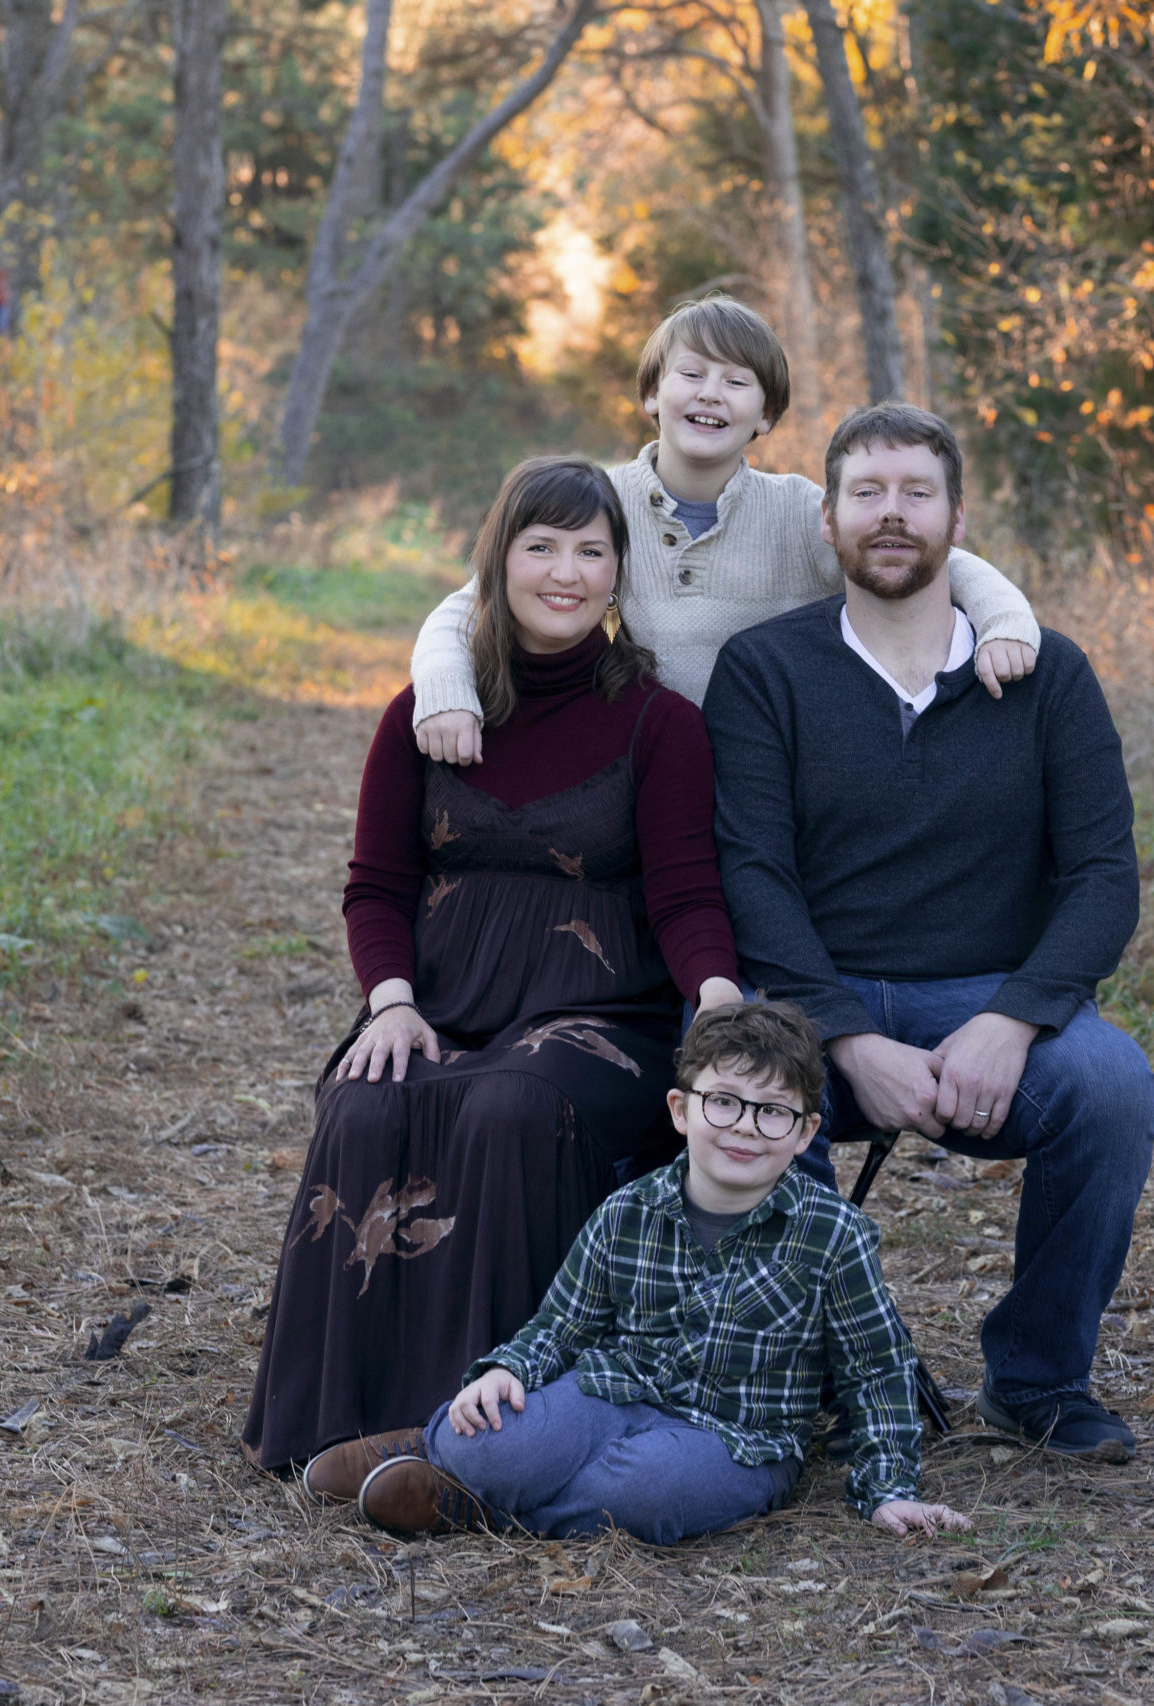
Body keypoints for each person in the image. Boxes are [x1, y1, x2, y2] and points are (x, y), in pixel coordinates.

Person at [241, 456, 745, 1497]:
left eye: (590, 551)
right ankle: (336, 1418)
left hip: (599, 1014)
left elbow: (687, 892)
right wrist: (389, 1000)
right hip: (441, 1002)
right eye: (541, 546)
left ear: (619, 572)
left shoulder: (659, 724)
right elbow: (375, 885)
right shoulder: (422, 715)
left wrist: (721, 998)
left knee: (512, 1108)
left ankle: (473, 1439)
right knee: (366, 1103)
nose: (565, 572)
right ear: (498, 560)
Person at [704, 403, 1154, 1464]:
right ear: (828, 521)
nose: (892, 514)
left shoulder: (1048, 674)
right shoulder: (766, 670)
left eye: (916, 492)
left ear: (959, 515)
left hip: (985, 991)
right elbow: (752, 873)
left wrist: (1013, 1019)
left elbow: (1103, 877)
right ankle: (822, 1373)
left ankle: (1038, 1378)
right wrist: (847, 1038)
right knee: (748, 1085)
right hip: (812, 994)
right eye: (867, 492)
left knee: (1110, 1085)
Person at [353, 1002, 971, 1544]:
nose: (745, 1128)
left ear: (806, 1130)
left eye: (773, 1113)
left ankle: (469, 1504)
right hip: (615, 1393)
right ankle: (441, 1451)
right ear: (681, 1109)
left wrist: (888, 1487)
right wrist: (507, 1369)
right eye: (723, 1102)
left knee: (645, 1493)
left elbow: (875, 1369)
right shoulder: (629, 1210)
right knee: (482, 1440)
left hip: (736, 1437)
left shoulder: (834, 1235)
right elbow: (562, 1327)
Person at [401, 295, 1041, 763]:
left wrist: (1004, 623)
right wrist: (446, 690)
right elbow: (472, 605)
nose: (712, 394)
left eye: (737, 382)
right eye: (692, 374)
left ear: (764, 415)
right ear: (653, 393)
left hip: (776, 773)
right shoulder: (600, 502)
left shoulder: (797, 512)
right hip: (642, 768)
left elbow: (935, 561)